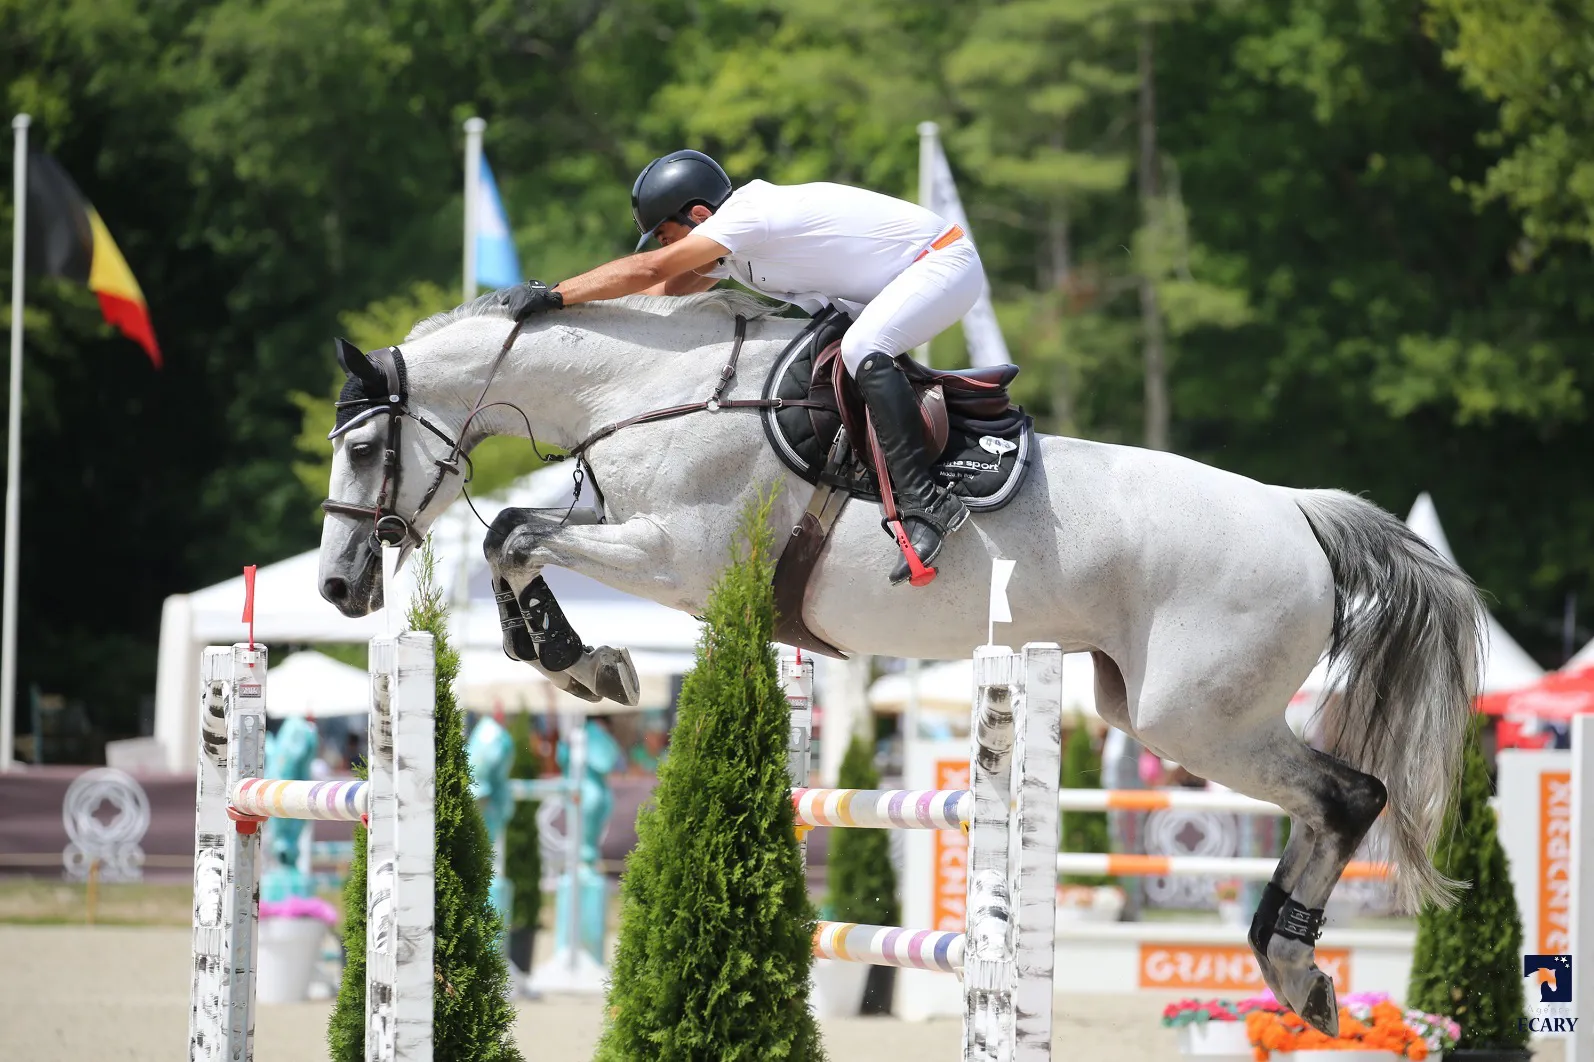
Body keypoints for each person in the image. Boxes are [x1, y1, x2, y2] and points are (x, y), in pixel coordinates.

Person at [496, 149, 989, 585]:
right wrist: (577, 321)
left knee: (862, 349)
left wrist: (556, 293)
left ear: (699, 214)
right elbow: (661, 293)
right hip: (898, 280)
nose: (666, 248)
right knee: (830, 353)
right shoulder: (733, 247)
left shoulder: (750, 215)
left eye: (667, 236)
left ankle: (927, 502)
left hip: (941, 263)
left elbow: (648, 270)